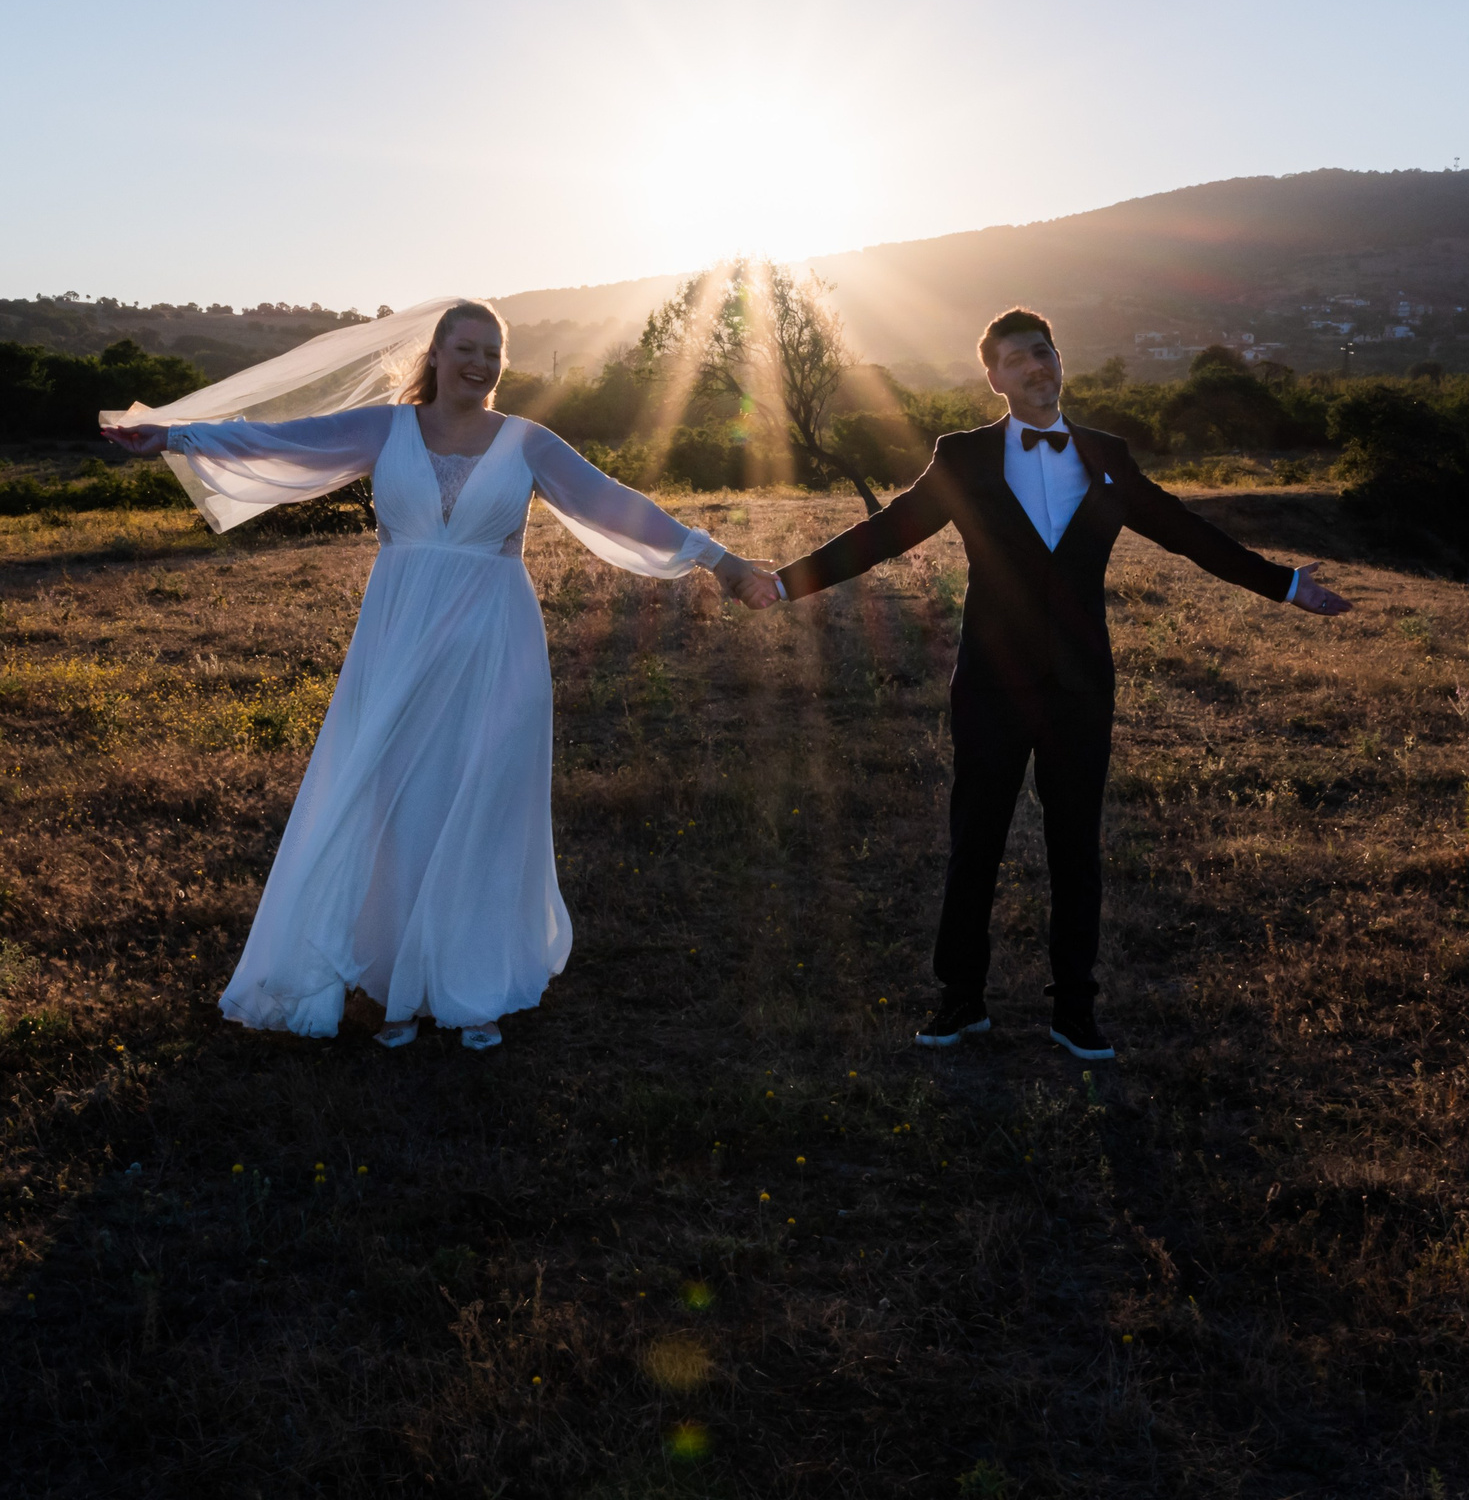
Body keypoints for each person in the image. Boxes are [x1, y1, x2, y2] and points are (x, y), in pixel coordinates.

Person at [106, 300, 781, 1050]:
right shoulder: (384, 429)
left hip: (496, 647)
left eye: (494, 352)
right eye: (467, 347)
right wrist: (173, 435)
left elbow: (615, 504)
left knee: (482, 802)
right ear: (436, 352)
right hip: (398, 642)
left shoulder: (528, 443)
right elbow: (283, 441)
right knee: (395, 810)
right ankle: (398, 985)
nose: (482, 364)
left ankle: (472, 983)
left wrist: (720, 561)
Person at [770, 309, 1351, 1061]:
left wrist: (1284, 585)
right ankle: (961, 999)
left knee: (1076, 843)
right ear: (995, 379)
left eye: (1042, 352)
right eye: (1016, 360)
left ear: (1059, 360)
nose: (1035, 367)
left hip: (1082, 685)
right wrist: (783, 586)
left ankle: (1074, 1007)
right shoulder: (963, 456)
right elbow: (884, 535)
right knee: (974, 839)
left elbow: (1185, 532)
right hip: (990, 681)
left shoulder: (1108, 455)